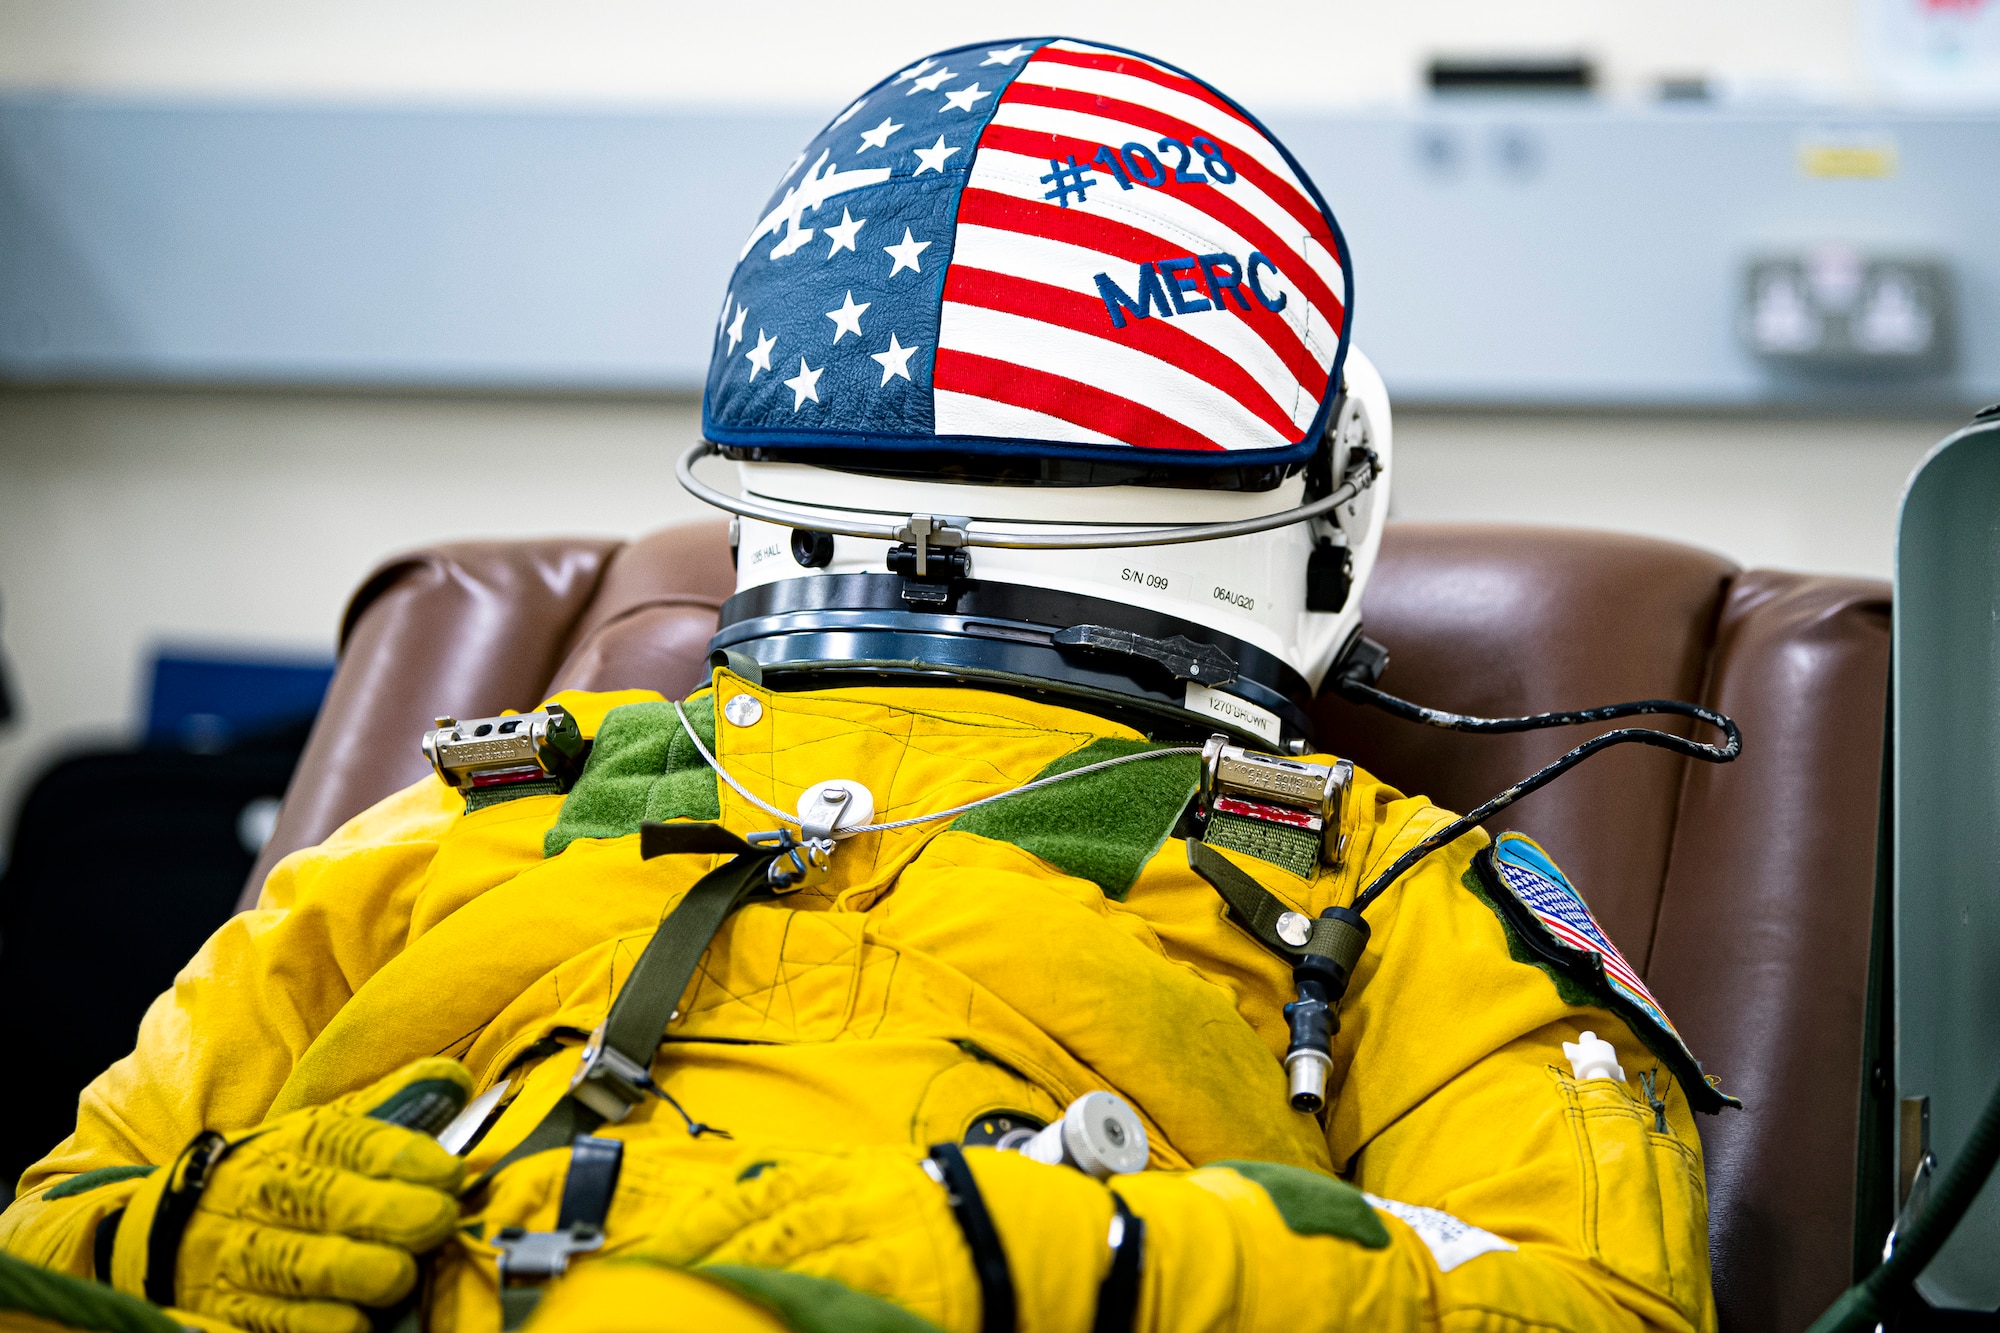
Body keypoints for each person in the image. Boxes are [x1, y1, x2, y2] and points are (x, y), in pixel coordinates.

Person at [0, 37, 1731, 1333]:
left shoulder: (1387, 888)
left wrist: (1054, 1262)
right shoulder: (485, 808)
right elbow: (56, 1230)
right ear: (1328, 521)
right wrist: (186, 1240)